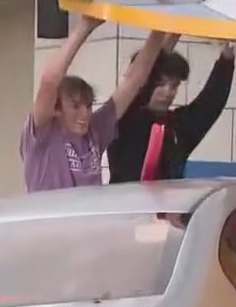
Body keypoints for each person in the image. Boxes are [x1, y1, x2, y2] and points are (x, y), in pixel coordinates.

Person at [21, 17, 167, 192]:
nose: (85, 114)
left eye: (89, 106)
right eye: (75, 106)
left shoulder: (94, 130)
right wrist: (85, 25)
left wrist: (160, 26)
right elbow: (50, 80)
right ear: (56, 109)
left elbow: (134, 81)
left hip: (91, 219)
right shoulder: (43, 134)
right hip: (50, 219)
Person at [106, 38, 235, 183]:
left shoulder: (176, 126)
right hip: (126, 203)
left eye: (174, 86)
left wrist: (228, 53)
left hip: (168, 205)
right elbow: (138, 79)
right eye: (160, 84)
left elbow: (211, 102)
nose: (168, 92)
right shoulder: (124, 119)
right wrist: (170, 30)